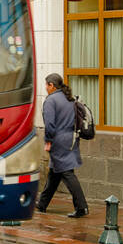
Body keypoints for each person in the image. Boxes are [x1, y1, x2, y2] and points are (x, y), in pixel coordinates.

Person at [36, 73, 88, 217]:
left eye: (46, 85)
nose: (45, 88)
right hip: (70, 138)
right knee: (55, 172)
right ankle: (42, 204)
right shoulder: (68, 98)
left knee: (67, 172)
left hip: (58, 140)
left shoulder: (51, 101)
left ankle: (81, 207)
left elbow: (50, 125)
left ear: (51, 85)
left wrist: (48, 141)